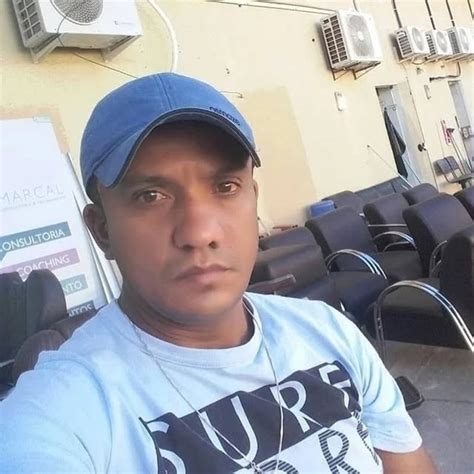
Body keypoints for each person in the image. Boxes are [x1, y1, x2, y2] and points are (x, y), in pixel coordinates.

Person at [0, 73, 436, 473]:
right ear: (102, 230)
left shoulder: (328, 331)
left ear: (253, 199)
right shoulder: (64, 411)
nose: (199, 232)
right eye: (150, 196)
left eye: (225, 187)